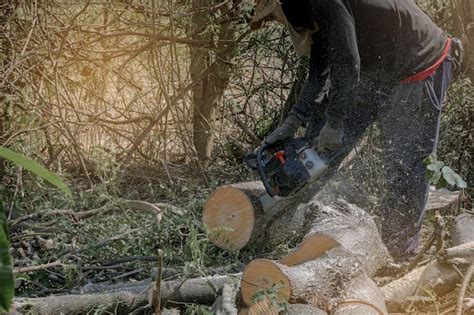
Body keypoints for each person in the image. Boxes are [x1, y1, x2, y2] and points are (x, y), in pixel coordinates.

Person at [250, 0, 464, 260]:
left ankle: (399, 254)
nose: (277, 22)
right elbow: (319, 70)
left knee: (405, 163)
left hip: (419, 62)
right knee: (322, 144)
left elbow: (348, 62)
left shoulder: (323, 3)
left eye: (273, 16)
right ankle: (296, 217)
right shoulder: (315, 11)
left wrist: (336, 121)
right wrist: (293, 121)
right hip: (378, 68)